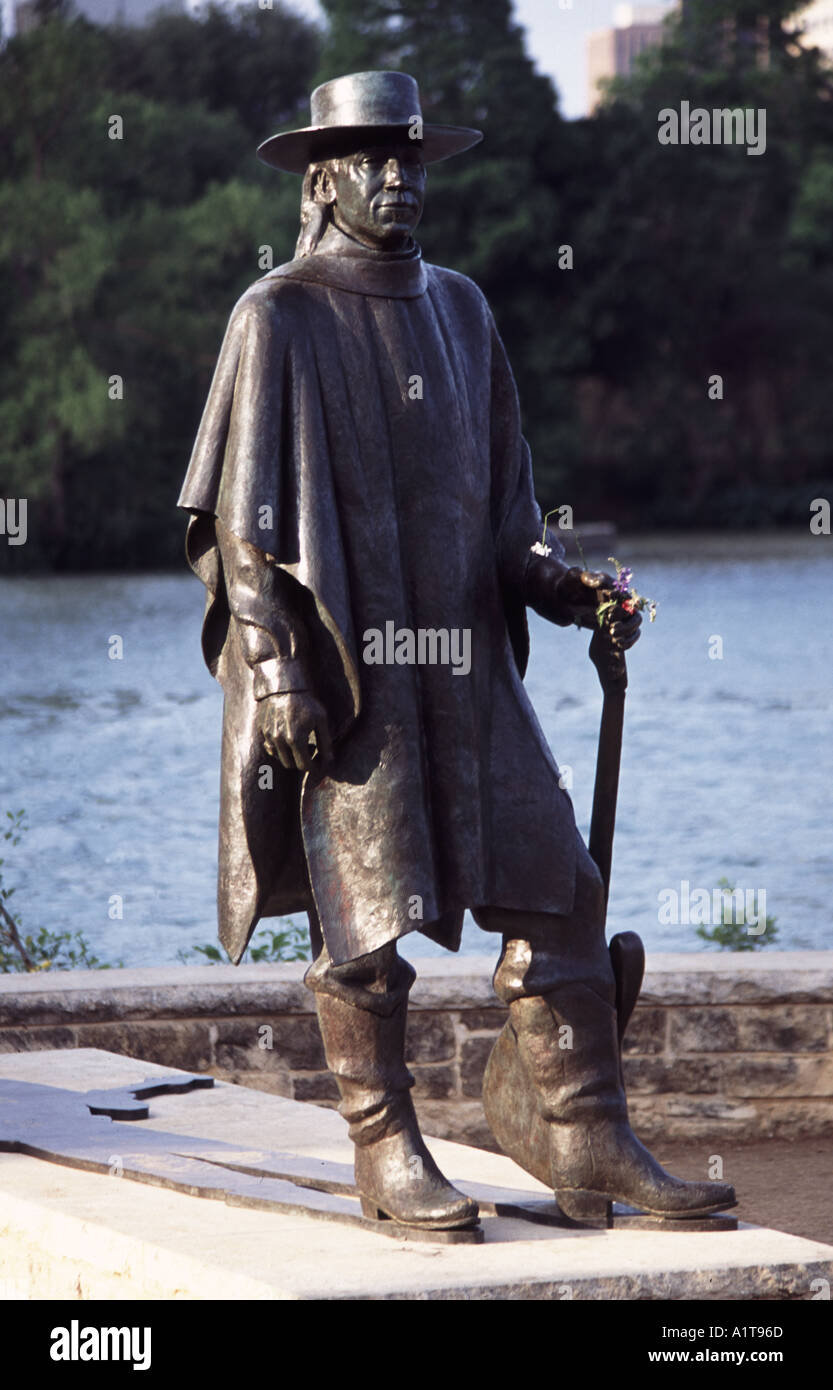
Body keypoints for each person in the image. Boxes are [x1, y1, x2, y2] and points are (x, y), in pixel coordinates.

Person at [179, 71, 735, 1231]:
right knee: (363, 924)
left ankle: (582, 1132)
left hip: (466, 675)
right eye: (373, 160)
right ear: (321, 179)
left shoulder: (466, 313)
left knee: (560, 890)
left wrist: (568, 585)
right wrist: (276, 666)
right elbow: (237, 527)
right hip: (350, 685)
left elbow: (507, 522)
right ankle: (385, 1149)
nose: (398, 178)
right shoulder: (274, 316)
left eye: (412, 159)